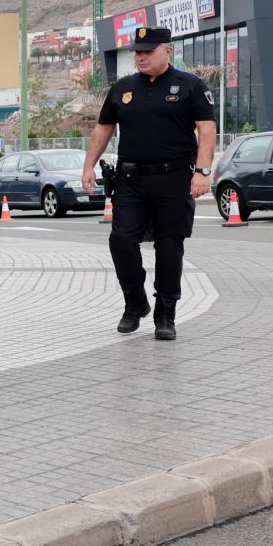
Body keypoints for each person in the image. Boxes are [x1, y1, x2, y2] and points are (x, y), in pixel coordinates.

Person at [80, 25, 217, 341]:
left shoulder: (190, 86)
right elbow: (103, 129)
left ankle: (165, 313)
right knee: (121, 240)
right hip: (131, 179)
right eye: (137, 52)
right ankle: (135, 302)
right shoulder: (123, 88)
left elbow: (206, 130)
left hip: (175, 179)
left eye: (147, 51)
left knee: (169, 247)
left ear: (167, 51)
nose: (140, 57)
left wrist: (203, 171)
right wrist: (88, 165)